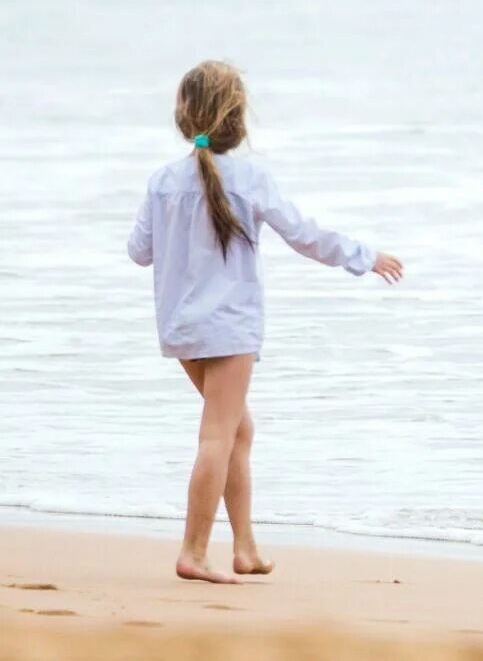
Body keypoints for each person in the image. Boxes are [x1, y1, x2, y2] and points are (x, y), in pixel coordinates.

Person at [127, 61, 404, 583]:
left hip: (182, 330)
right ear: (238, 118)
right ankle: (194, 551)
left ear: (184, 116)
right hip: (229, 328)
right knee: (218, 435)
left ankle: (247, 547)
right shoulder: (250, 178)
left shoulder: (162, 181)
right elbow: (304, 235)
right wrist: (365, 256)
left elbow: (139, 252)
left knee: (238, 431)